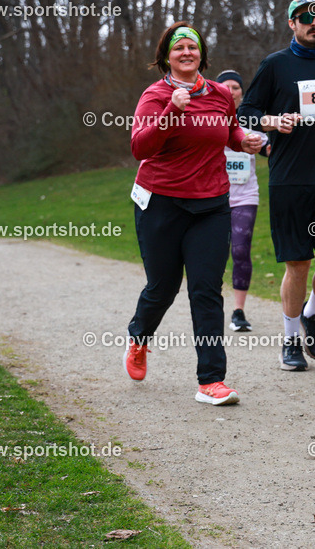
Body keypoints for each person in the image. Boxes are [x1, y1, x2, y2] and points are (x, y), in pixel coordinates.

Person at [124, 22, 263, 406]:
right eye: (179, 47)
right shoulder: (155, 95)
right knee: (163, 287)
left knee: (206, 290)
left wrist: (244, 141)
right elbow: (140, 147)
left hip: (211, 205)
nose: (187, 52)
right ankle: (139, 337)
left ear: (202, 54)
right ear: (166, 56)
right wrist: (172, 110)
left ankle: (211, 381)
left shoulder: (220, 94)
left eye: (193, 47)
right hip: (162, 204)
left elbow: (229, 132)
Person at [237, 0, 315, 371]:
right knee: (297, 265)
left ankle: (311, 315)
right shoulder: (275, 65)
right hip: (289, 178)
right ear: (291, 23)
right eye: (305, 18)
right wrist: (273, 122)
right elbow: (246, 112)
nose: (314, 23)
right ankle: (290, 339)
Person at [217, 69, 269, 332]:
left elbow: (271, 147)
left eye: (236, 87)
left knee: (240, 250)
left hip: (245, 196)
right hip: (213, 197)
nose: (231, 90)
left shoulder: (251, 120)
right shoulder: (209, 118)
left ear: (241, 92)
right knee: (213, 255)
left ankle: (238, 311)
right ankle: (211, 306)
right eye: (225, 86)